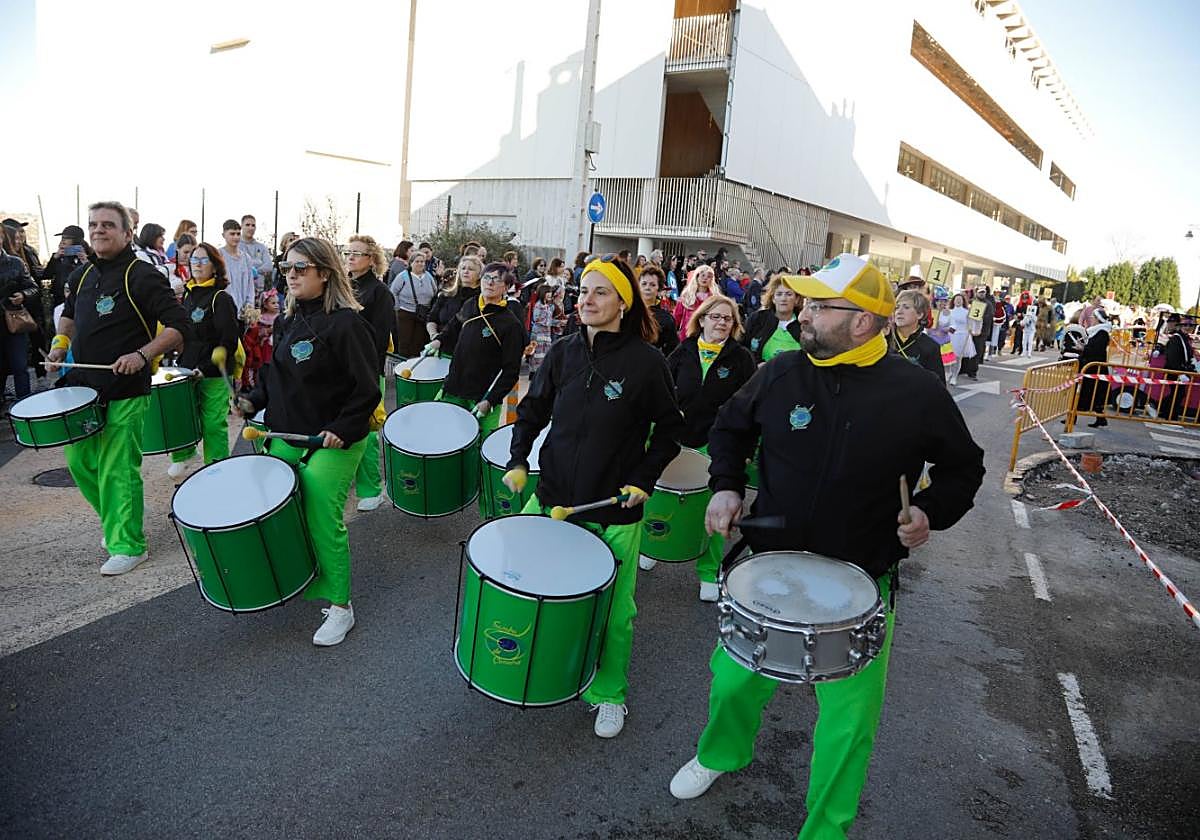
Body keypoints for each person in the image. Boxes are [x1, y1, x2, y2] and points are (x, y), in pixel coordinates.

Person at [668, 254, 985, 839]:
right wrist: (727, 485)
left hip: (861, 579)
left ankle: (825, 831)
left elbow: (964, 469)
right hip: (772, 566)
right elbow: (730, 428)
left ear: (862, 321)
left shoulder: (916, 391)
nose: (804, 314)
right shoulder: (784, 370)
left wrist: (929, 515)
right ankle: (721, 754)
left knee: (848, 722)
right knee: (734, 680)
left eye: (819, 306)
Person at [503, 254, 683, 738]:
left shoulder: (647, 363)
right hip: (553, 495)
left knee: (616, 613)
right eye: (584, 291)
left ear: (623, 302)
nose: (587, 300)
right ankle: (546, 666)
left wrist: (643, 480)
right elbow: (533, 409)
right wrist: (519, 460)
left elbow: (669, 432)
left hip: (613, 509)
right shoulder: (562, 352)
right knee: (534, 585)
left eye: (601, 292)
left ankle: (609, 693)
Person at [236, 236, 380, 646]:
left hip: (334, 437)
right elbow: (272, 376)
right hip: (287, 431)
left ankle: (341, 606)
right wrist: (252, 398)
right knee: (276, 505)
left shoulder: (349, 323)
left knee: (319, 509)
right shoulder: (288, 319)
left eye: (301, 268)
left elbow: (367, 389)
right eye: (287, 267)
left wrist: (342, 428)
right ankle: (300, 576)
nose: (292, 275)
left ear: (325, 272)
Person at [45, 201, 191, 575]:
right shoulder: (81, 276)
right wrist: (60, 346)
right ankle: (116, 520)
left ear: (127, 233)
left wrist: (143, 355)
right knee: (79, 463)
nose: (98, 230)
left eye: (108, 225)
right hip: (82, 386)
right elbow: (70, 318)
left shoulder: (143, 275)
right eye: (93, 224)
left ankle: (129, 544)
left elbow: (178, 327)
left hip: (126, 389)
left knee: (117, 469)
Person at [652, 295, 754, 600]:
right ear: (702, 319)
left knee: (715, 508)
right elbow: (661, 393)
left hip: (717, 443)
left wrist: (744, 448)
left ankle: (709, 572)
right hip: (677, 438)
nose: (721, 323)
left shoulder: (742, 358)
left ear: (734, 325)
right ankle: (656, 547)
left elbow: (750, 408)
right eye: (715, 317)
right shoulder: (682, 352)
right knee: (662, 497)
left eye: (727, 319)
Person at [424, 261, 524, 437]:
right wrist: (437, 341)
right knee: (444, 438)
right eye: (487, 278)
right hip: (455, 387)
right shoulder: (471, 304)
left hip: (483, 396)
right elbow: (453, 326)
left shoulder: (511, 324)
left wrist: (490, 401)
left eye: (497, 280)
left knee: (478, 451)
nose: (490, 283)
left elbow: (511, 371)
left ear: (506, 287)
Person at [167, 243, 241, 478]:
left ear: (215, 266)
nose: (197, 264)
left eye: (203, 260)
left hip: (214, 374)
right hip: (187, 368)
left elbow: (228, 340)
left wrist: (205, 367)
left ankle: (217, 470)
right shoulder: (188, 295)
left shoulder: (221, 299)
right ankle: (185, 454)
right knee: (178, 414)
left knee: (212, 425)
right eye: (194, 260)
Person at [343, 234, 396, 512]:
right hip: (339, 370)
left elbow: (378, 339)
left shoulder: (379, 293)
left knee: (367, 430)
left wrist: (367, 374)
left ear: (372, 259)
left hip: (366, 371)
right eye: (348, 252)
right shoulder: (341, 286)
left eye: (357, 253)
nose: (350, 257)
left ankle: (371, 488)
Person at [2, 226, 39, 406]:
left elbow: (33, 287)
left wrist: (23, 295)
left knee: (20, 366)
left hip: (13, 321)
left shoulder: (15, 263)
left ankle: (25, 405)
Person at [743, 273, 803, 365]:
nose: (783, 298)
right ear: (773, 298)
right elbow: (743, 349)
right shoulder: (757, 319)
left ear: (797, 299)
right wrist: (755, 366)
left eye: (789, 294)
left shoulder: (804, 324)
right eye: (779, 294)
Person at [888, 289, 945, 384]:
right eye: (897, 307)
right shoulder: (883, 339)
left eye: (906, 307)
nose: (899, 311)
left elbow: (938, 386)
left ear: (920, 314)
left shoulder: (930, 347)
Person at [389, 248, 437, 358]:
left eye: (422, 261)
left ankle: (415, 364)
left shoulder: (428, 276)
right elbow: (393, 292)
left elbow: (434, 291)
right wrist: (397, 307)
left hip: (423, 312)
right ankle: (403, 363)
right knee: (405, 340)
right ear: (411, 263)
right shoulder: (403, 276)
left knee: (419, 340)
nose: (420, 264)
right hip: (406, 312)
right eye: (417, 261)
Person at [427, 255, 482, 345]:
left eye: (471, 269)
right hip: (440, 344)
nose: (466, 271)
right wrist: (434, 335)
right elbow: (432, 318)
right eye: (463, 268)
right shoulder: (446, 294)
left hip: (467, 346)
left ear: (479, 274)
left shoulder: (481, 298)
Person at [43, 224, 92, 309]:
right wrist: (54, 258)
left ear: (76, 241)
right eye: (62, 238)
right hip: (60, 300)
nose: (63, 241)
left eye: (66, 238)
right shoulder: (58, 257)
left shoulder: (89, 256)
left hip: (81, 300)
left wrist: (86, 262)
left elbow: (96, 277)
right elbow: (46, 275)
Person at [639, 264, 679, 357]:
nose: (647, 287)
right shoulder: (627, 312)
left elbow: (672, 351)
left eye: (652, 285)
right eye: (644, 284)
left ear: (659, 289)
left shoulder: (667, 319)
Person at [219, 219, 255, 317]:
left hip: (243, 310)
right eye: (232, 234)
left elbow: (250, 285)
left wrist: (250, 305)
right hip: (224, 308)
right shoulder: (219, 255)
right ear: (224, 235)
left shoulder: (246, 258)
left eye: (238, 234)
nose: (235, 237)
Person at [673, 263, 716, 340]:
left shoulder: (714, 299)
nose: (705, 278)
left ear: (712, 280)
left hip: (707, 338)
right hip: (687, 337)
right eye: (702, 275)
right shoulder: (686, 296)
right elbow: (676, 317)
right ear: (697, 277)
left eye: (709, 276)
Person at [529, 283, 564, 374]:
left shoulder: (550, 306)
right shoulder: (538, 305)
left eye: (550, 292)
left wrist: (559, 323)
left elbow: (549, 319)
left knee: (545, 353)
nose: (550, 294)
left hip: (546, 334)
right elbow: (537, 319)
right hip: (538, 334)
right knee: (537, 354)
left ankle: (542, 372)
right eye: (547, 292)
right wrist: (554, 323)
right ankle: (535, 372)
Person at [944, 292, 975, 385]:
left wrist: (971, 329)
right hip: (950, 336)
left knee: (958, 358)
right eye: (956, 299)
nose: (958, 301)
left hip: (962, 336)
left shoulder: (967, 312)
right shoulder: (949, 311)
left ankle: (954, 376)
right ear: (953, 301)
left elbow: (971, 324)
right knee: (948, 356)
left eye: (960, 299)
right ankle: (948, 372)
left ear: (963, 301)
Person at [240, 214, 273, 295]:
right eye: (247, 225)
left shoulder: (262, 247)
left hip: (259, 291)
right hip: (241, 289)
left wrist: (254, 271)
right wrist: (259, 262)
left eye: (253, 225)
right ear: (241, 226)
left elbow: (269, 266)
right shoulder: (236, 246)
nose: (250, 228)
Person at [167, 234, 197, 299]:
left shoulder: (198, 267)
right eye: (186, 252)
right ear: (177, 249)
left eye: (192, 252)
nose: (189, 256)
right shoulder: (168, 268)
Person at [272, 231, 300, 297]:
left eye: (294, 240)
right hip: (281, 290)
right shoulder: (279, 258)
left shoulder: (299, 258)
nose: (293, 242)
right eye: (290, 240)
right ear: (284, 243)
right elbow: (274, 276)